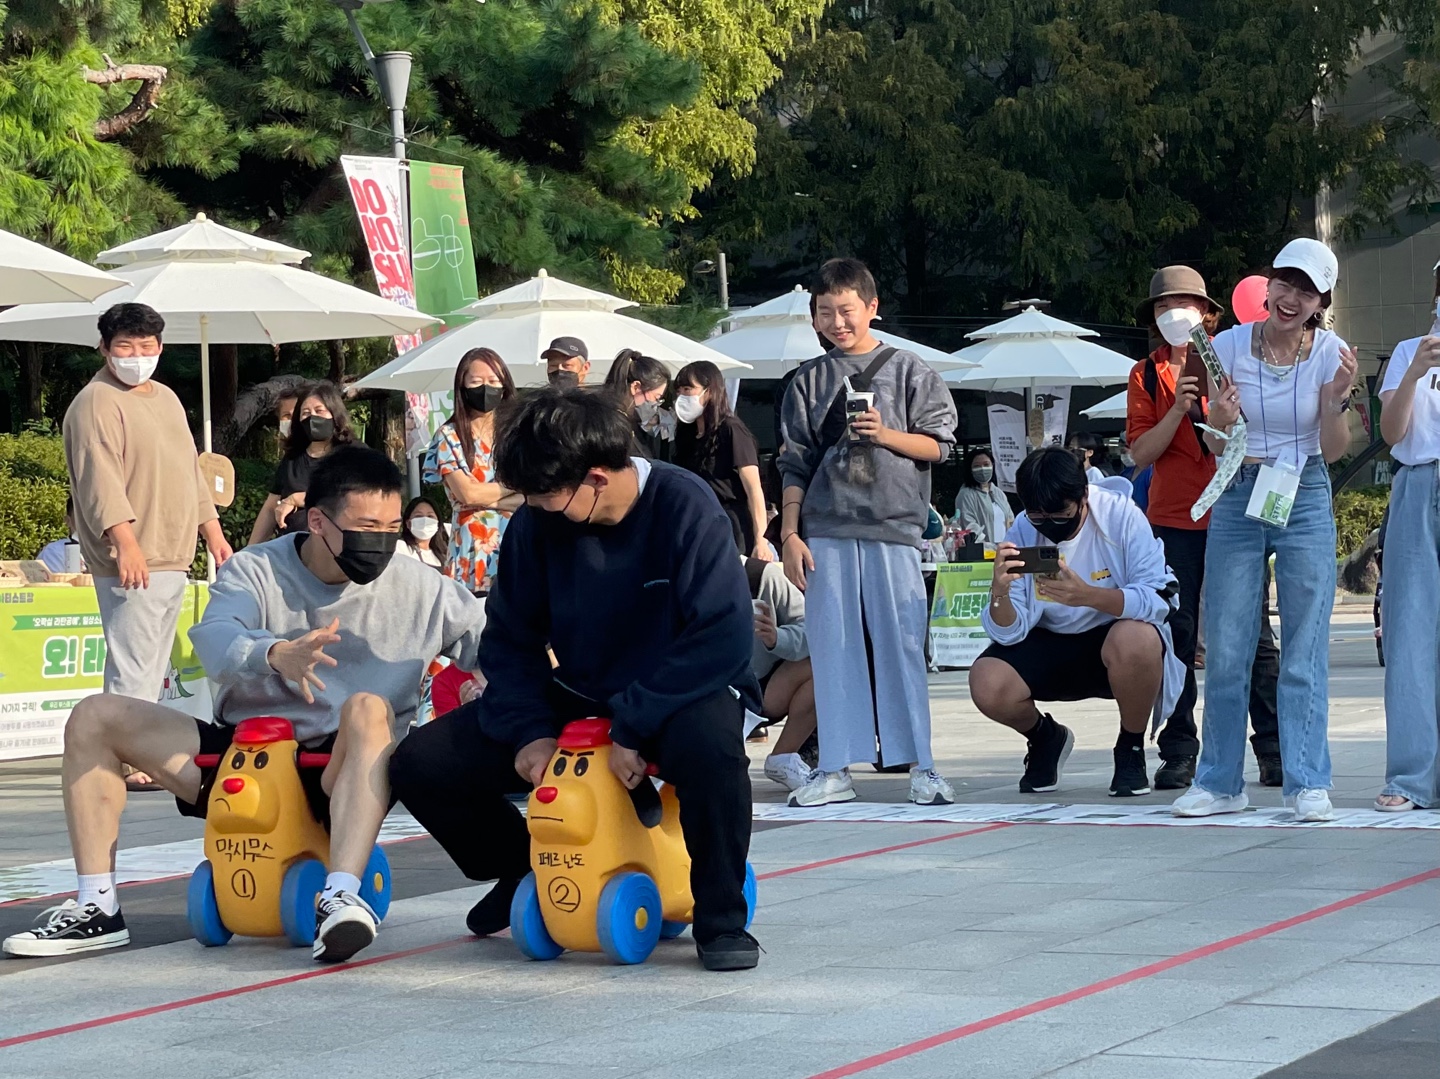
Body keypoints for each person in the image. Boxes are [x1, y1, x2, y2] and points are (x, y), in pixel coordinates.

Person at [3, 446, 488, 961]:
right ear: (318, 521)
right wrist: (274, 654)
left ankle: (342, 895)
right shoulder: (256, 569)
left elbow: (495, 642)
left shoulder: (423, 587)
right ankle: (96, 906)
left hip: (343, 767)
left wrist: (491, 677)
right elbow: (213, 637)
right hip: (246, 757)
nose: (382, 542)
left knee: (369, 707)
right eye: (367, 526)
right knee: (95, 716)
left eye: (392, 527)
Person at [389, 389, 762, 972]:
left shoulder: (685, 506)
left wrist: (633, 726)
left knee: (711, 748)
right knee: (422, 763)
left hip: (679, 691)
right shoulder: (536, 526)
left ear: (595, 479)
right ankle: (528, 868)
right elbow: (510, 640)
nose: (535, 509)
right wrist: (529, 732)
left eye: (546, 497)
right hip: (583, 689)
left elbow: (722, 637)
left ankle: (721, 916)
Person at [1173, 237, 1358, 822]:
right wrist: (1218, 419)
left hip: (1304, 491)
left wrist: (1335, 401)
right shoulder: (1226, 345)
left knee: (1304, 646)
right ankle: (1218, 781)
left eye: (1307, 291)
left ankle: (1308, 781)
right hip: (1238, 488)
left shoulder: (1332, 354)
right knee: (1227, 646)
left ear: (1321, 302)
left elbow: (1334, 451)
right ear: (1269, 283)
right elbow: (1214, 443)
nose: (1291, 298)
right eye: (1285, 283)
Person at [777, 257, 959, 808]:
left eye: (847, 310)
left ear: (872, 307)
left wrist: (884, 434)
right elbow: (793, 464)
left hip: (893, 526)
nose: (837, 322)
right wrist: (789, 534)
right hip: (825, 528)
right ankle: (835, 765)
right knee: (833, 648)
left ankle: (922, 766)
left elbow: (939, 445)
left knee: (901, 643)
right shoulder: (807, 380)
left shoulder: (909, 369)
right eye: (825, 312)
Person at [61, 303, 232, 792]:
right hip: (130, 556)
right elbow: (99, 481)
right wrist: (125, 542)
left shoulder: (167, 398)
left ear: (160, 346)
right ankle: (118, 760)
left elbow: (191, 471)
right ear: (104, 348)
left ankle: (139, 754)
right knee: (133, 664)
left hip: (173, 551)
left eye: (146, 346)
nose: (137, 356)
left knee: (153, 665)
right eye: (125, 346)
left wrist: (212, 531)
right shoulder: (95, 402)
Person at [1126, 266, 1283, 791]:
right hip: (1174, 518)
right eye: (1163, 305)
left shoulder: (1233, 354)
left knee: (1254, 632)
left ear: (1208, 313)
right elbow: (1140, 452)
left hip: (1236, 512)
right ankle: (1178, 751)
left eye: (1186, 303)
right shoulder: (1146, 374)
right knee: (1177, 634)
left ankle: (1273, 747)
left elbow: (1259, 429)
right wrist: (1177, 409)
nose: (1175, 313)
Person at [969, 448, 1183, 797]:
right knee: (987, 680)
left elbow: (1160, 599)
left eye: (1060, 514)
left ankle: (1130, 746)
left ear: (1084, 496)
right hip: (1050, 639)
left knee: (1138, 639)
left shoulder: (1120, 516)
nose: (1049, 524)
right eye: (1038, 515)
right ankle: (1044, 738)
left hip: (1112, 639)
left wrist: (1089, 596)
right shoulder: (1023, 528)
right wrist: (1000, 592)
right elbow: (1009, 632)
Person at [1375, 326, 1440, 811]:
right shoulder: (1409, 351)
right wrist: (1417, 372)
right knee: (1410, 635)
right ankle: (1411, 776)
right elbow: (1392, 433)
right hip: (1417, 484)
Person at [423, 347, 523, 595]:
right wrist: (515, 486)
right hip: (470, 549)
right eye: (476, 382)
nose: (486, 388)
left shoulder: (517, 434)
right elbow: (467, 494)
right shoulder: (449, 435)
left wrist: (483, 497)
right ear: (462, 386)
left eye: (493, 381)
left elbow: (532, 496)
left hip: (515, 542)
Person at [672, 360, 771, 560]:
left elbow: (753, 488)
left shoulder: (731, 429)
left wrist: (761, 540)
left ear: (709, 391)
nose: (682, 396)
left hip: (731, 522)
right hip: (696, 522)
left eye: (688, 389)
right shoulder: (686, 434)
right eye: (679, 390)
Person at [739, 554, 816, 792]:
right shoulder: (675, 578)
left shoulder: (761, 575)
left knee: (821, 666)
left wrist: (776, 638)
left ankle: (784, 756)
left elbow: (811, 628)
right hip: (700, 692)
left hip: (759, 688)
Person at [248, 382, 356, 545]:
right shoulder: (293, 458)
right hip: (292, 550)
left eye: (319, 410)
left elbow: (356, 498)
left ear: (334, 413)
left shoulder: (354, 454)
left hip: (338, 550)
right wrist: (249, 551)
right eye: (305, 413)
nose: (312, 417)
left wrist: (297, 499)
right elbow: (270, 508)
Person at [602, 348, 671, 457]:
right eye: (656, 397)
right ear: (636, 387)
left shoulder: (627, 421)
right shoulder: (609, 425)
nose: (656, 404)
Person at [952, 448, 1014, 544]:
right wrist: (989, 547)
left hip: (1005, 547)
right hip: (983, 550)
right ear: (970, 469)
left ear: (992, 465)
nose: (982, 469)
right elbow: (969, 526)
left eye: (986, 464)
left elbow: (1010, 520)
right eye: (977, 466)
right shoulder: (966, 495)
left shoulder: (999, 493)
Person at [36, 497, 84, 574]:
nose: (88, 521)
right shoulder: (54, 552)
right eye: (81, 515)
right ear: (68, 521)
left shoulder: (103, 549)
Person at [398, 496, 447, 569]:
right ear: (408, 523)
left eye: (430, 516)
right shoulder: (400, 548)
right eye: (418, 516)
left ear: (437, 523)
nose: (425, 520)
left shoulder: (444, 555)